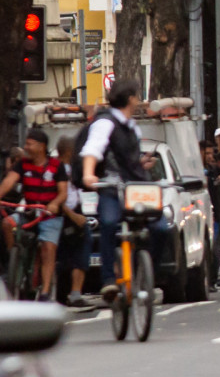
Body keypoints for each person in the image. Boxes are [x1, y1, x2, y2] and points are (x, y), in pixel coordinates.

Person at [78, 79, 163, 302]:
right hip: (110, 187)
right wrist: (89, 173)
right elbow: (93, 149)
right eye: (137, 96)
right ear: (130, 99)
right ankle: (108, 280)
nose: (139, 100)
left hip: (135, 187)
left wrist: (141, 164)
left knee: (159, 226)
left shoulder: (131, 125)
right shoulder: (105, 123)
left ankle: (146, 273)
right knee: (107, 223)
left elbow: (128, 159)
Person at [0, 129, 67, 301]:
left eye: (29, 144)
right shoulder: (21, 164)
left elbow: (63, 192)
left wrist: (54, 204)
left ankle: (45, 291)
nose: (26, 147)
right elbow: (8, 182)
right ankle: (14, 257)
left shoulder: (56, 166)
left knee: (48, 248)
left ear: (41, 146)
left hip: (49, 215)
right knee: (7, 224)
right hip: (29, 212)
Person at [54, 136, 90, 307]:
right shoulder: (58, 170)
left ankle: (74, 293)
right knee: (65, 255)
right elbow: (57, 196)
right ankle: (64, 294)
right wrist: (72, 215)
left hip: (75, 212)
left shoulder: (72, 169)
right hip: (65, 214)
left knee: (79, 252)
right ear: (69, 151)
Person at [201, 141, 220, 290]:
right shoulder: (195, 171)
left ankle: (212, 279)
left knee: (215, 250)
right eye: (205, 153)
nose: (208, 157)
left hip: (215, 216)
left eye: (210, 154)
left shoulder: (214, 171)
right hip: (199, 216)